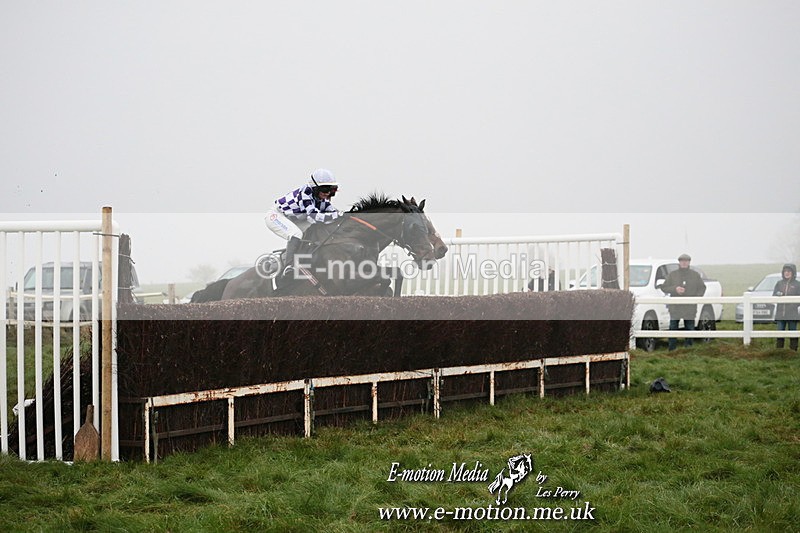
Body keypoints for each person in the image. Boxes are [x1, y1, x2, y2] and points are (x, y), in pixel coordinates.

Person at [265, 169, 343, 278]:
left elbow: (334, 213)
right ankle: (288, 266)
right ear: (315, 187)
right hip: (276, 216)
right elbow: (315, 216)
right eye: (325, 189)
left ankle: (301, 258)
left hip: (296, 219)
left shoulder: (321, 199)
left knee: (314, 230)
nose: (328, 193)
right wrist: (337, 215)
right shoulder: (305, 193)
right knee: (296, 234)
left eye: (331, 189)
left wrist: (345, 215)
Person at [660, 253, 707, 351]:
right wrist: (675, 289)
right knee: (673, 328)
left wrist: (696, 298)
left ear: (689, 262)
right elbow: (664, 287)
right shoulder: (673, 275)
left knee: (690, 329)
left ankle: (688, 350)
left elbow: (702, 288)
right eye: (682, 261)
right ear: (679, 262)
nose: (684, 263)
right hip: (675, 307)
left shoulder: (695, 275)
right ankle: (672, 349)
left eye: (686, 261)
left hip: (690, 307)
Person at [772, 263, 799, 351]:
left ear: (793, 272)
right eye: (785, 271)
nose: (787, 273)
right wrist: (778, 294)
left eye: (789, 271)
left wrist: (792, 305)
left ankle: (793, 351)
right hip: (780, 313)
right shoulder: (779, 283)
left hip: (792, 314)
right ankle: (779, 351)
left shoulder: (797, 284)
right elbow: (774, 295)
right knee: (780, 332)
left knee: (793, 332)